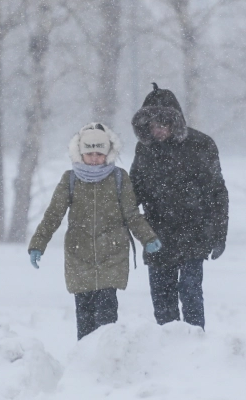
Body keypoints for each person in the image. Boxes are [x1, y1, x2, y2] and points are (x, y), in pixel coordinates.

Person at [29, 123, 161, 340]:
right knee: (84, 314)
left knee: (107, 315)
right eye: (89, 153)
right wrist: (37, 244)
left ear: (108, 153)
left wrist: (148, 237)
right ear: (80, 153)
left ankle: (104, 359)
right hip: (79, 255)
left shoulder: (119, 178)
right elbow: (53, 214)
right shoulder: (70, 179)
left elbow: (131, 214)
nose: (94, 157)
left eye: (99, 153)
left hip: (113, 254)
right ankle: (84, 362)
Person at [130, 84, 229, 329]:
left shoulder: (201, 145)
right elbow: (134, 191)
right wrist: (120, 217)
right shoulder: (145, 149)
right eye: (152, 125)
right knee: (162, 299)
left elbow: (217, 193)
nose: (158, 130)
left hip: (194, 233)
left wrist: (218, 234)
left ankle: (195, 346)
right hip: (157, 234)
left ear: (175, 121)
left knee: (191, 292)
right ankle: (167, 350)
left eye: (163, 124)